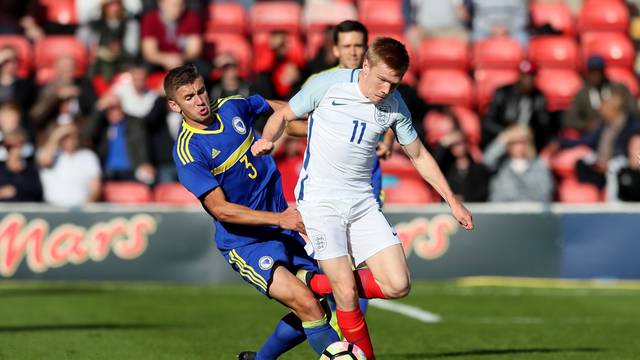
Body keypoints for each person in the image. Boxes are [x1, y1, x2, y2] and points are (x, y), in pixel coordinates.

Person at [252, 37, 474, 359]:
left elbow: (419, 155)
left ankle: (314, 283)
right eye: (382, 79)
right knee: (345, 293)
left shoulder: (395, 105)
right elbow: (284, 115)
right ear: (365, 66)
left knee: (398, 284)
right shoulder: (328, 85)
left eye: (394, 83)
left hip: (362, 202)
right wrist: (268, 140)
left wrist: (452, 201)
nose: (385, 89)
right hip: (321, 202)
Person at [165, 65, 340, 359]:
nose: (200, 101)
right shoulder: (189, 150)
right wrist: (281, 219)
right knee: (308, 304)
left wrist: (315, 127)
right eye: (189, 97)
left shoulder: (231, 106)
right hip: (246, 243)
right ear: (174, 105)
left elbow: (279, 109)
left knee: (320, 305)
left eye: (201, 91)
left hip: (283, 225)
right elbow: (221, 210)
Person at [482, 60, 554, 151]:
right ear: (519, 76)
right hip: (505, 139)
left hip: (527, 142)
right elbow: (488, 122)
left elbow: (544, 125)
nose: (528, 80)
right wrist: (508, 131)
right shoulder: (503, 93)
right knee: (489, 158)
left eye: (531, 76)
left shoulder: (538, 97)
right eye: (525, 76)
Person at [563, 55, 637, 134]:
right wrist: (587, 125)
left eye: (598, 72)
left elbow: (633, 112)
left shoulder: (619, 89)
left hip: (619, 132)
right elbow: (569, 120)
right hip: (593, 134)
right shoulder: (582, 94)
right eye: (592, 72)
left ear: (603, 72)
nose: (595, 75)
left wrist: (618, 119)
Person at [37, 122, 102, 207]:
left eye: (73, 137)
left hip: (80, 209)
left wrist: (88, 204)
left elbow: (95, 187)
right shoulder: (50, 153)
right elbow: (45, 160)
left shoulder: (88, 156)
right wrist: (58, 134)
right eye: (65, 137)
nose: (70, 140)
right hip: (53, 208)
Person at [484, 126, 554, 202]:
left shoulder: (539, 165)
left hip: (530, 211)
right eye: (514, 142)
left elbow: (545, 192)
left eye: (522, 142)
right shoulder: (500, 165)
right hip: (503, 211)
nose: (519, 146)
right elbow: (487, 160)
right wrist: (504, 138)